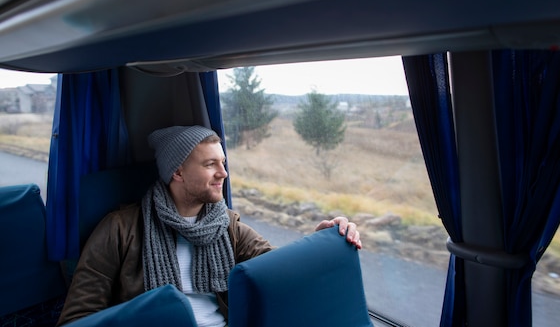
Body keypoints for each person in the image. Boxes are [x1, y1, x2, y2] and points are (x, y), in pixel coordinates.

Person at [57, 125, 361, 327]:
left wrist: (321, 243)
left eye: (223, 163)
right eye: (210, 164)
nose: (223, 174)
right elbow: (78, 318)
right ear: (177, 172)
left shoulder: (227, 225)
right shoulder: (120, 229)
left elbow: (281, 271)